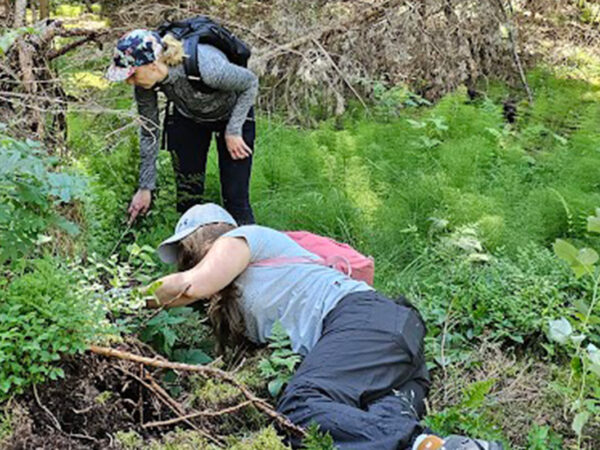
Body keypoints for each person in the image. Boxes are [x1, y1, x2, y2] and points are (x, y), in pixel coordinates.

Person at [147, 203, 504, 450]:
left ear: (199, 241)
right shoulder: (241, 297)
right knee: (374, 415)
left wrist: (123, 299)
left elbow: (192, 284)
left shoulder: (241, 240)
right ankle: (433, 445)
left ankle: (414, 444)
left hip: (363, 319)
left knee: (300, 408)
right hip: (393, 348)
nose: (180, 261)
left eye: (182, 252)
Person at [105, 29, 257, 225]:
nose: (129, 81)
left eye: (132, 74)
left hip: (233, 117)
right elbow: (149, 131)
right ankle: (191, 252)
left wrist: (234, 130)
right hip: (189, 118)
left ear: (152, 65)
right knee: (188, 199)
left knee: (236, 199)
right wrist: (145, 187)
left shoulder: (207, 66)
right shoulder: (144, 85)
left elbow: (250, 82)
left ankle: (247, 248)